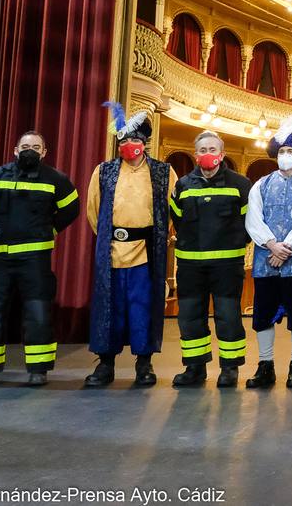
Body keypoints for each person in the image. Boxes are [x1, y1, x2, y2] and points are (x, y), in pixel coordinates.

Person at [0, 131, 80, 388]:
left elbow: (71, 209)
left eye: (35, 146)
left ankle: (38, 370)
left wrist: (49, 230)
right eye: (25, 146)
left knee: (37, 312)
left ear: (44, 152)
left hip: (34, 258)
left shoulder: (56, 179)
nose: (29, 150)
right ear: (15, 149)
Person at [84, 103, 177, 389]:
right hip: (112, 249)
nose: (129, 145)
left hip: (146, 252)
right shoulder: (104, 171)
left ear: (145, 142)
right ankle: (105, 364)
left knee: (142, 307)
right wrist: (109, 239)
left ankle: (144, 364)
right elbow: (93, 211)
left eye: (135, 140)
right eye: (124, 140)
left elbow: (173, 209)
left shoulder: (163, 172)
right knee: (109, 306)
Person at [169, 130, 252, 388]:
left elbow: (249, 223)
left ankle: (230, 369)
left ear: (222, 154)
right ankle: (195, 368)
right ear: (196, 155)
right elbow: (178, 220)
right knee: (190, 317)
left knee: (228, 316)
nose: (207, 154)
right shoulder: (183, 185)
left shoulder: (240, 184)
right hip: (190, 264)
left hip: (227, 265)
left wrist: (236, 243)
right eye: (202, 150)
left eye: (212, 150)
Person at [244, 116, 292, 390]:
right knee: (263, 314)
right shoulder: (261, 185)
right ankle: (265, 366)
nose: (285, 156)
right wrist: (271, 244)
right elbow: (253, 219)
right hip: (266, 260)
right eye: (281, 152)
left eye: (290, 152)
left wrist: (286, 248)